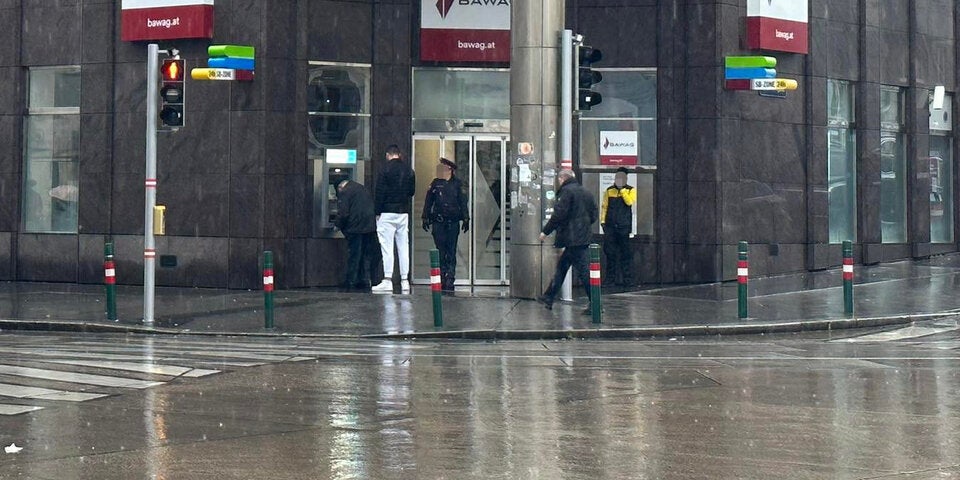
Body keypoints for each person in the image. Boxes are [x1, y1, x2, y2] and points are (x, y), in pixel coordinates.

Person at [538, 169, 598, 313]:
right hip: (581, 237)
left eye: (559, 180)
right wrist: (583, 226)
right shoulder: (586, 192)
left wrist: (545, 231)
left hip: (572, 239)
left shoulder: (566, 192)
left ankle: (596, 303)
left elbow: (559, 214)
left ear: (562, 179)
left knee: (583, 271)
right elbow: (594, 214)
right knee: (563, 267)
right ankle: (549, 296)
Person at [372, 144, 416, 293]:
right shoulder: (409, 170)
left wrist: (377, 212)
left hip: (387, 212)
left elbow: (379, 192)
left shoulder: (384, 170)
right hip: (403, 213)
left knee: (387, 248)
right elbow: (411, 191)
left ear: (388, 155)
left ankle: (388, 280)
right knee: (403, 247)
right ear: (399, 154)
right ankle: (405, 281)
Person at [421, 158, 469, 292]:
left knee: (451, 251)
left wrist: (466, 218)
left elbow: (462, 202)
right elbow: (428, 201)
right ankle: (441, 277)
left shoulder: (457, 184)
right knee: (440, 251)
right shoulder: (436, 184)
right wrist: (425, 216)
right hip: (439, 223)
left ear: (450, 169)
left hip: (452, 223)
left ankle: (450, 278)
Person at [335, 179, 378, 290]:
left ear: (340, 187)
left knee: (354, 255)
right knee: (365, 255)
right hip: (369, 226)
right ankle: (364, 280)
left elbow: (343, 213)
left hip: (355, 227)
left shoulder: (345, 191)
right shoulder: (362, 188)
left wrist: (337, 224)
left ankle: (351, 281)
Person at [601, 167, 636, 287]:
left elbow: (630, 202)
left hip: (624, 226)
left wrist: (622, 190)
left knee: (625, 253)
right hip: (610, 227)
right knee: (610, 253)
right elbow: (604, 206)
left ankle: (628, 279)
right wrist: (603, 222)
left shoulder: (631, 190)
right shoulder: (609, 190)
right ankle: (610, 279)